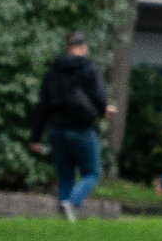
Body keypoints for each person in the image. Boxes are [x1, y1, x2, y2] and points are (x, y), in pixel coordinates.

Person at [29, 32, 112, 222]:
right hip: (82, 129)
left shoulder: (52, 73)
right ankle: (72, 203)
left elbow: (42, 107)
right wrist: (102, 113)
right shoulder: (90, 69)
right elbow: (100, 100)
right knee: (91, 173)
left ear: (67, 48)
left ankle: (65, 216)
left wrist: (35, 137)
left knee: (66, 173)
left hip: (56, 130)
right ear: (84, 47)